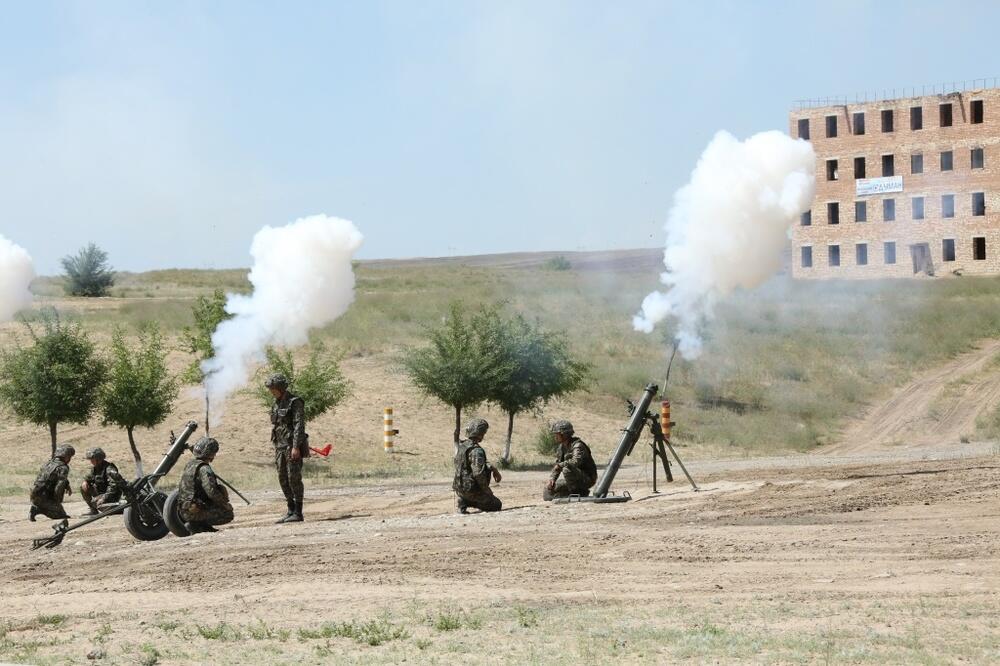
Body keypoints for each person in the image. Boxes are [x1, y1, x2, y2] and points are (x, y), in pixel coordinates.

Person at [266, 373, 309, 523]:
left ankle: (298, 512)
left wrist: (296, 446)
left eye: (273, 388)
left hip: (291, 446)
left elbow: (299, 426)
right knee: (282, 478)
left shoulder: (295, 402)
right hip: (280, 446)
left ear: (281, 388)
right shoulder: (276, 403)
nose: (271, 391)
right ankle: (290, 510)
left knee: (293, 478)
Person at [177, 436, 234, 534]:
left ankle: (203, 525)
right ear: (210, 453)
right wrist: (224, 504)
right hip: (193, 511)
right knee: (228, 513)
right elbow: (212, 492)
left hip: (182, 509)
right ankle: (197, 525)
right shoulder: (205, 469)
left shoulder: (190, 464)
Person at [453, 418, 502, 514]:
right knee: (496, 504)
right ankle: (468, 501)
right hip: (471, 490)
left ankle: (463, 500)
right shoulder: (476, 450)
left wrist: (493, 468)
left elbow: (470, 463)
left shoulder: (462, 447)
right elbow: (478, 474)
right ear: (480, 433)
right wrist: (487, 491)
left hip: (460, 489)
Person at [543, 420, 598, 501]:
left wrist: (560, 465)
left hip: (587, 479)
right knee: (548, 492)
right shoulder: (561, 447)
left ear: (564, 434)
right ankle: (570, 492)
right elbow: (557, 465)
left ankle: (579, 492)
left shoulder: (578, 445)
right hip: (574, 478)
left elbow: (575, 461)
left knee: (566, 469)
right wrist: (552, 479)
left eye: (557, 434)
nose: (555, 436)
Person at [29, 445, 75, 521]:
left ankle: (37, 507)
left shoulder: (48, 464)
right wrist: (57, 502)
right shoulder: (63, 467)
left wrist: (67, 485)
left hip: (35, 494)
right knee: (59, 515)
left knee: (61, 512)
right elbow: (59, 487)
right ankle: (37, 509)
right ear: (66, 456)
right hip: (45, 497)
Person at [79, 447, 125, 516]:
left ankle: (117, 508)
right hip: (101, 493)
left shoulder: (109, 468)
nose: (91, 461)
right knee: (83, 487)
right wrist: (85, 481)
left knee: (96, 503)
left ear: (99, 459)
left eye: (93, 460)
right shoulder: (96, 468)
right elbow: (90, 477)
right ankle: (93, 510)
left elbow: (113, 486)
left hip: (111, 495)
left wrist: (104, 498)